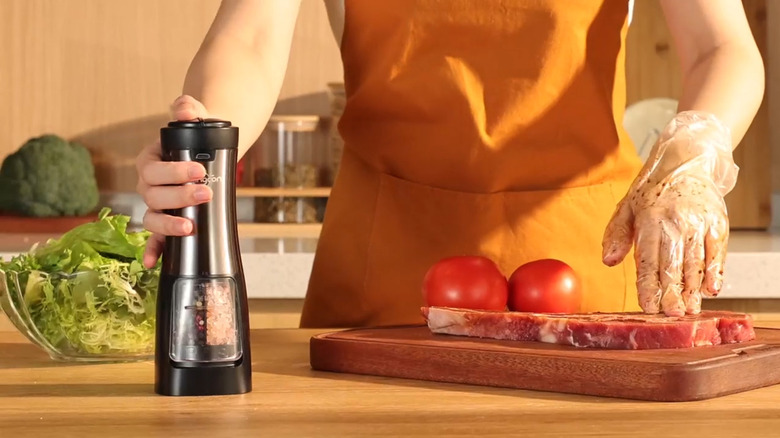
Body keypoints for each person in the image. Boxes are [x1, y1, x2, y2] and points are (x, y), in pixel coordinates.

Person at [136, 0, 764, 328]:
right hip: (384, 274)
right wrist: (201, 141)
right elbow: (249, 39)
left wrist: (695, 150)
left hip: (584, 270)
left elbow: (722, 46)